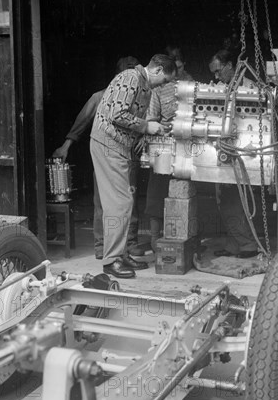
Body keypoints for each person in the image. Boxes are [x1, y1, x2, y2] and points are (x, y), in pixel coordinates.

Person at [90, 54, 177, 278]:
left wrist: (146, 132)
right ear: (157, 70)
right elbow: (117, 114)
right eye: (165, 80)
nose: (165, 85)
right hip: (107, 142)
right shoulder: (130, 78)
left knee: (124, 202)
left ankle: (120, 254)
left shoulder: (145, 87)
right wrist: (147, 127)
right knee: (119, 203)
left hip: (120, 146)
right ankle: (111, 261)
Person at [52, 56, 141, 260]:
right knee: (103, 202)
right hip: (106, 156)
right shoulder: (100, 96)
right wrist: (66, 145)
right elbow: (81, 122)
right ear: (118, 76)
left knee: (129, 201)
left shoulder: (141, 97)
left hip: (129, 158)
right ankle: (102, 245)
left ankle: (130, 242)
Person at [208, 49, 259, 259]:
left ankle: (247, 245)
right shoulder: (217, 89)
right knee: (224, 199)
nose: (216, 77)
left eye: (219, 71)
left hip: (244, 152)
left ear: (230, 65)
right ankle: (234, 245)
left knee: (234, 201)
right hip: (223, 150)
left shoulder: (251, 88)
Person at [143, 46, 194, 252]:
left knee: (184, 195)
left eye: (179, 62)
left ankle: (182, 238)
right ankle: (156, 241)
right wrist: (161, 129)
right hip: (164, 146)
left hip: (188, 149)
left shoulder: (192, 85)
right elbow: (151, 119)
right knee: (156, 194)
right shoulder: (157, 89)